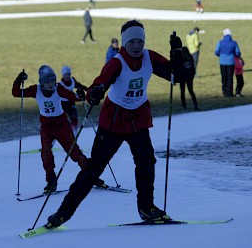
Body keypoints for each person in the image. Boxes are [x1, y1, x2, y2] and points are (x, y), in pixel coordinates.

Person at [46, 20, 183, 228]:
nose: (136, 46)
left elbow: (175, 76)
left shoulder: (149, 57)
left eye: (140, 41)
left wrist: (177, 53)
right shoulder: (116, 63)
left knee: (146, 163)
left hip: (138, 120)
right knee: (93, 170)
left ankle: (147, 208)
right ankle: (63, 213)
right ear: (124, 43)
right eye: (132, 42)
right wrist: (95, 93)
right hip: (113, 123)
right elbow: (97, 86)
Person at [12, 65, 105, 193]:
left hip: (61, 125)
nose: (51, 84)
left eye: (52, 80)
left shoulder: (58, 89)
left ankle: (92, 177)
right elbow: (16, 93)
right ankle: (51, 181)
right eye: (47, 81)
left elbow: (72, 96)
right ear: (42, 82)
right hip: (46, 127)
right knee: (46, 154)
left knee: (75, 153)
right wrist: (18, 80)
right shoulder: (36, 90)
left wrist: (80, 95)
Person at [59, 66, 89, 133]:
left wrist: (88, 90)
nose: (67, 76)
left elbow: (80, 86)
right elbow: (67, 95)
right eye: (65, 74)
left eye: (69, 74)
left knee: (74, 118)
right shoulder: (60, 84)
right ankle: (67, 131)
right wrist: (78, 98)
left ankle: (74, 133)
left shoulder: (72, 81)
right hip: (62, 104)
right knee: (63, 120)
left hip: (71, 103)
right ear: (63, 75)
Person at [215, 28, 241, 97]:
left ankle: (224, 91)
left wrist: (221, 55)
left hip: (222, 62)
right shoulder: (234, 43)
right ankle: (229, 92)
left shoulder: (220, 42)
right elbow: (237, 53)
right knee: (230, 77)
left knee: (224, 77)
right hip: (231, 62)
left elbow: (216, 52)